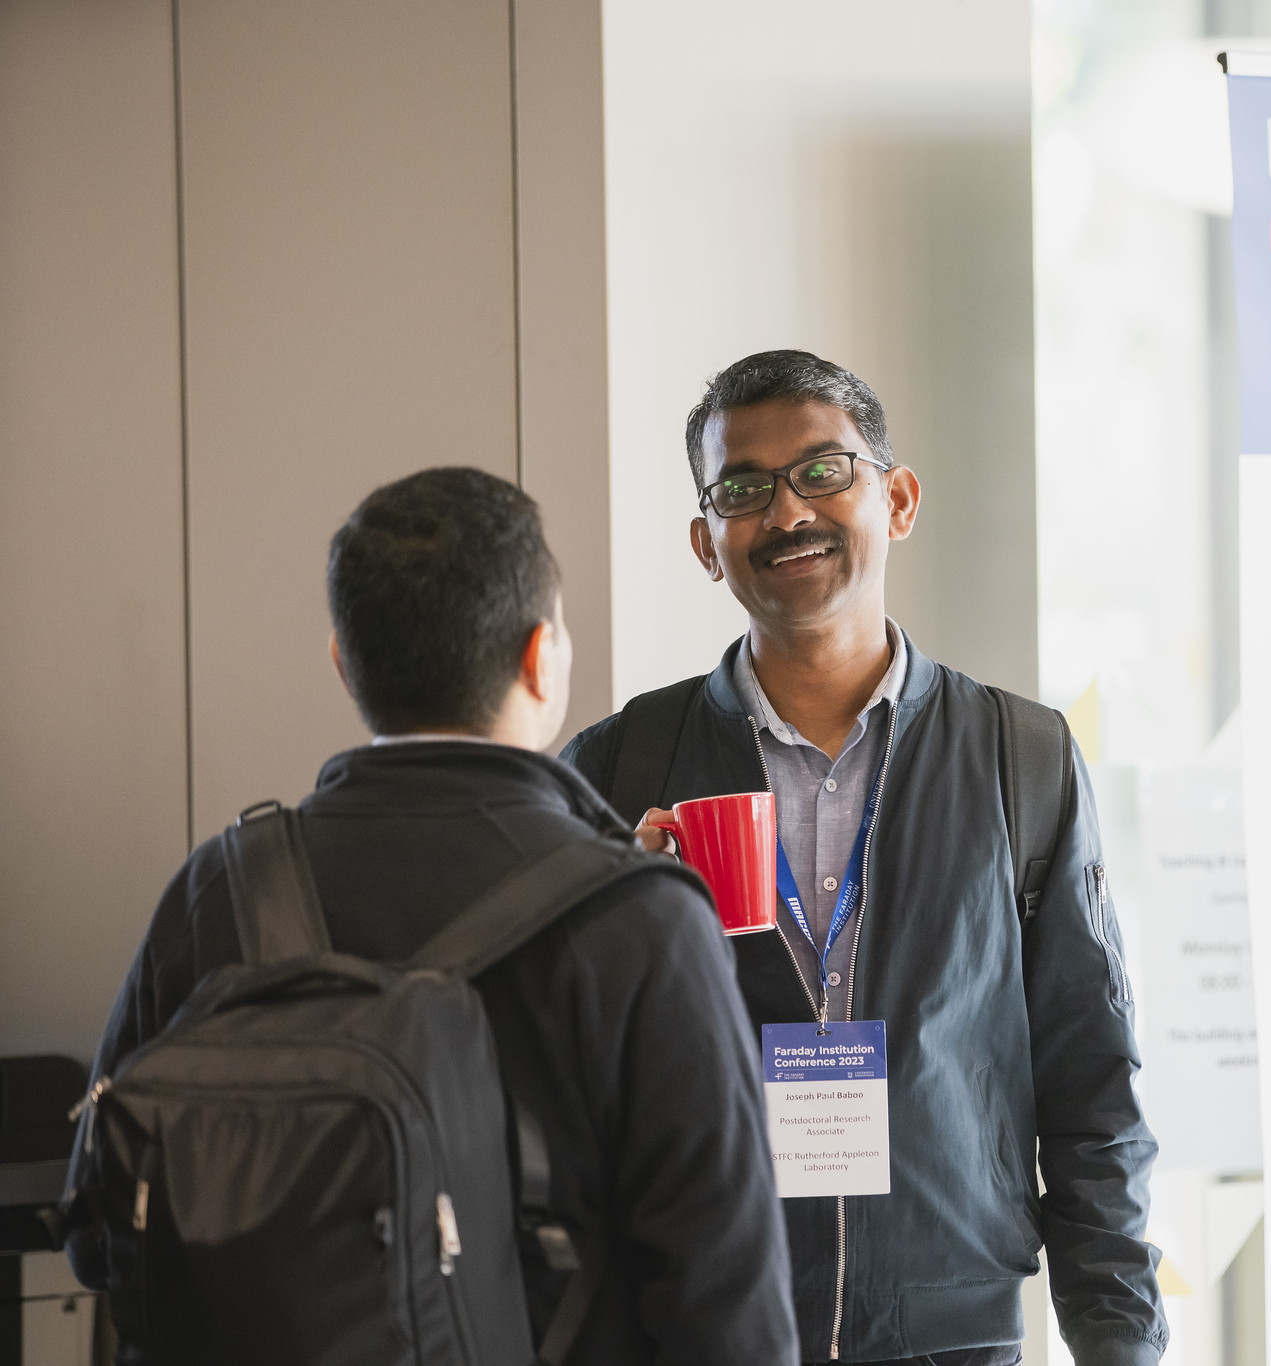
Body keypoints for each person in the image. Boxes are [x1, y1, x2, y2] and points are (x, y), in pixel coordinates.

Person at [68, 467, 798, 1364]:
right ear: (541, 655)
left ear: (344, 661)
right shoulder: (642, 921)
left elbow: (99, 1235)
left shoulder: (224, 885)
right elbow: (725, 1302)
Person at [561, 351, 1167, 1366]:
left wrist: (1118, 1343)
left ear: (896, 497)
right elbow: (564, 1082)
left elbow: (1089, 1081)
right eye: (741, 489)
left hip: (954, 1336)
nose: (786, 511)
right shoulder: (621, 766)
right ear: (706, 543)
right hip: (703, 1331)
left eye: (822, 470)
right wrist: (619, 916)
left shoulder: (1018, 756)